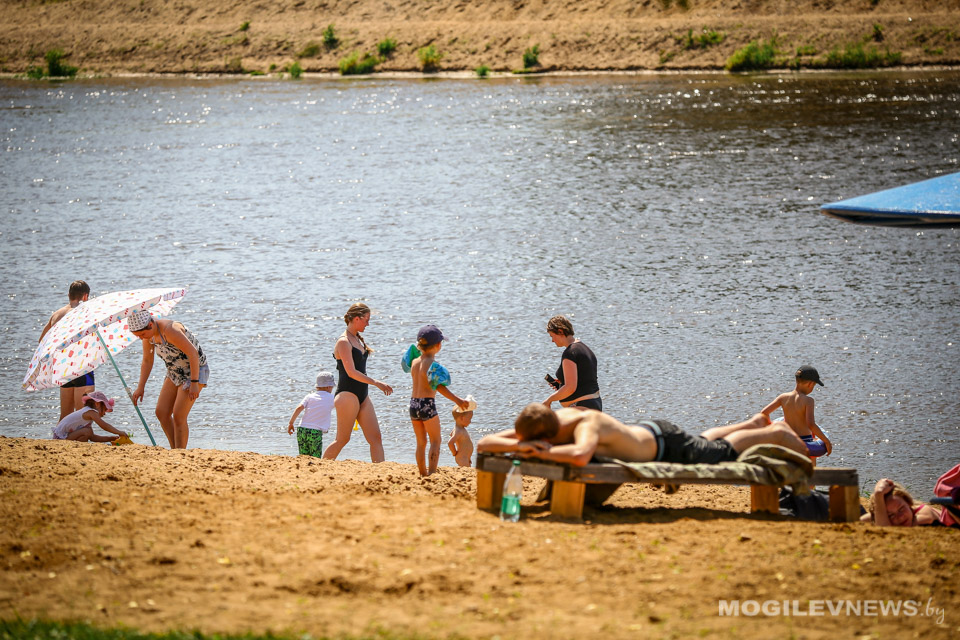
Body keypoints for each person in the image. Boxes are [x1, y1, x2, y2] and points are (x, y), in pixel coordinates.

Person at [477, 403, 808, 466]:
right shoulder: (548, 419)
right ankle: (751, 424)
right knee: (705, 442)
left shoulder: (584, 425)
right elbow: (484, 442)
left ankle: (774, 431)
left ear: (547, 436)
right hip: (650, 433)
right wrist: (524, 443)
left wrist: (540, 453)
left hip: (667, 447)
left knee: (717, 453)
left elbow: (578, 456)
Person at [128, 309, 208, 449]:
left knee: (178, 415)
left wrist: (195, 383)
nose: (141, 338)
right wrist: (141, 387)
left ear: (150, 324)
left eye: (142, 334)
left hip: (194, 371)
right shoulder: (148, 337)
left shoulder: (170, 330)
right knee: (161, 412)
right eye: (137, 336)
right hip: (174, 372)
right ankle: (174, 450)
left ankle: (180, 452)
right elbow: (147, 361)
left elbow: (193, 354)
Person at [322, 303, 393, 462]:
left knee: (376, 438)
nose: (368, 323)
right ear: (356, 319)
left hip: (363, 396)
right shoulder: (343, 341)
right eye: (366, 320)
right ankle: (322, 466)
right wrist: (376, 383)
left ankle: (380, 472)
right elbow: (351, 372)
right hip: (347, 395)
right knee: (342, 439)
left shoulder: (357, 339)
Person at [402, 325, 470, 476]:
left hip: (413, 404)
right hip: (427, 404)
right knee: (435, 440)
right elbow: (439, 387)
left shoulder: (414, 362)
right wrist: (458, 400)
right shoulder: (433, 365)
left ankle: (422, 473)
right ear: (438, 346)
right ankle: (431, 473)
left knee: (421, 442)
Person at [39, 280, 94, 422]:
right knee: (84, 413)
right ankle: (81, 442)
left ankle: (59, 440)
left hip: (62, 366)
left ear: (69, 295)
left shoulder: (57, 314)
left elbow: (42, 341)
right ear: (85, 296)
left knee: (65, 416)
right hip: (81, 365)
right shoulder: (83, 313)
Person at [761, 365, 832, 463]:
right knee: (811, 472)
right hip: (806, 443)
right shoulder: (808, 401)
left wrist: (772, 430)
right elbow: (810, 424)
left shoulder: (783, 397)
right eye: (814, 386)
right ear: (810, 384)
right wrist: (826, 441)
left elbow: (763, 413)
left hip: (788, 441)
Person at [543, 316, 601, 411]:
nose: (552, 340)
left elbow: (570, 388)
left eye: (552, 336)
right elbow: (585, 379)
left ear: (560, 331)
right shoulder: (584, 349)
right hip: (594, 404)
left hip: (581, 406)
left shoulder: (570, 352)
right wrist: (562, 384)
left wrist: (548, 400)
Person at [287, 371, 336, 458]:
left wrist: (291, 423)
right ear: (329, 386)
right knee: (315, 457)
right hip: (315, 432)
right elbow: (341, 408)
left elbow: (299, 408)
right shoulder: (332, 398)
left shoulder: (309, 396)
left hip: (302, 430)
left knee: (303, 457)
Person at [52, 391, 127, 443]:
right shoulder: (91, 412)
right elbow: (104, 426)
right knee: (87, 431)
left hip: (65, 437)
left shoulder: (88, 417)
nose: (104, 414)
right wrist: (119, 432)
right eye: (104, 409)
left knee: (88, 432)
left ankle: (79, 448)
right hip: (60, 438)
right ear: (97, 404)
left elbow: (92, 437)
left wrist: (111, 438)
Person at [861, 478, 938, 526]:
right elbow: (861, 521)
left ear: (909, 503)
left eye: (901, 509)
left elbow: (887, 532)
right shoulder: (882, 516)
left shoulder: (925, 513)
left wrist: (878, 494)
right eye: (891, 515)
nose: (900, 517)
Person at [448, 399, 476, 468]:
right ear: (461, 418)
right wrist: (454, 453)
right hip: (462, 458)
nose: (470, 421)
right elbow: (450, 443)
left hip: (465, 457)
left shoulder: (459, 429)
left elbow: (451, 434)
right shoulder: (459, 431)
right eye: (469, 418)